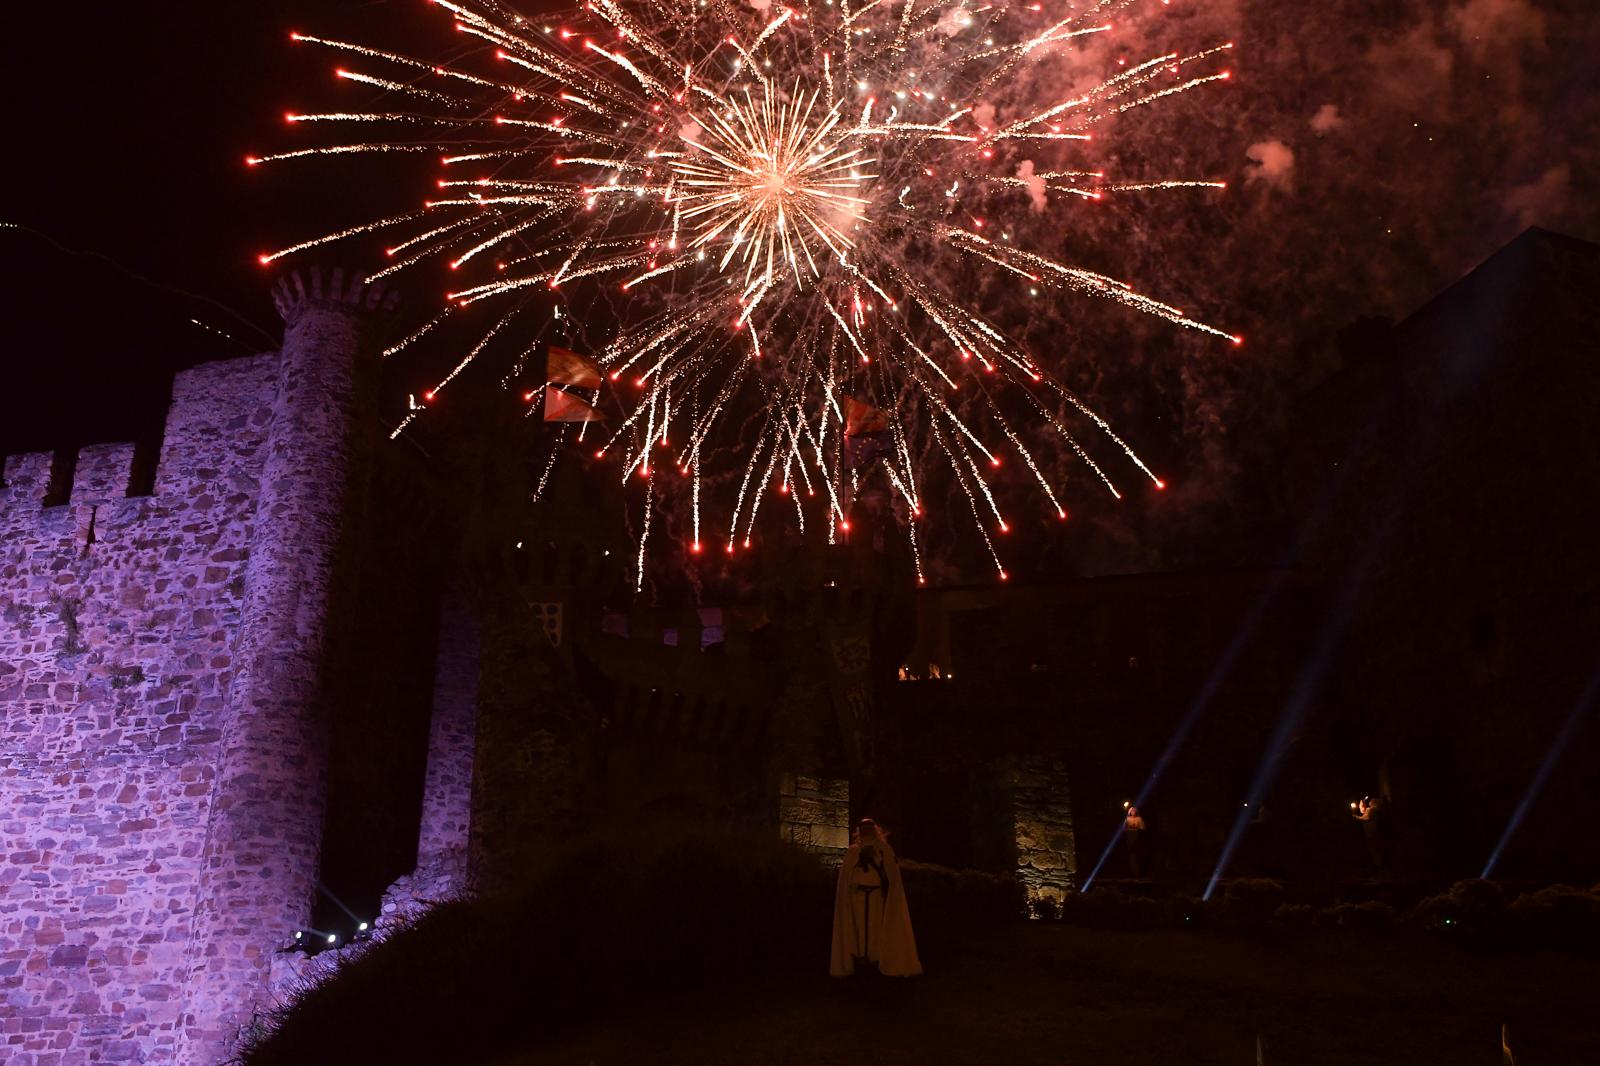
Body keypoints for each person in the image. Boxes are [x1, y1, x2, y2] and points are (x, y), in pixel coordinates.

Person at [830, 818, 922, 977]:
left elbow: (892, 877)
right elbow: (846, 878)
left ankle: (875, 958)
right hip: (857, 896)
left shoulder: (884, 850)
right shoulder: (853, 851)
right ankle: (860, 958)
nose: (866, 830)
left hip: (876, 896)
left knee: (875, 927)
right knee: (859, 928)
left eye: (868, 827)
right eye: (863, 827)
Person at [1123, 805, 1147, 878]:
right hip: (1130, 838)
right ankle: (1132, 872)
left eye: (1134, 811)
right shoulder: (1127, 819)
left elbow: (1143, 828)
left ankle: (1138, 873)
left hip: (1137, 838)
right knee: (1131, 855)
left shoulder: (1139, 819)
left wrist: (1137, 829)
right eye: (1132, 811)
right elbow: (1124, 828)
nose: (1133, 812)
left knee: (1137, 855)